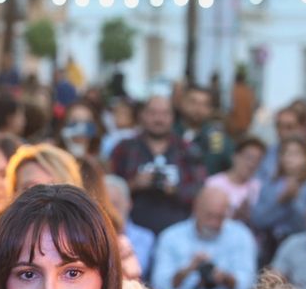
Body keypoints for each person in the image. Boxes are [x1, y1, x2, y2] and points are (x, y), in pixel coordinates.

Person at [150, 188, 258, 289]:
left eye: (220, 217)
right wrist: (188, 270)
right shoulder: (171, 237)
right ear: (196, 209)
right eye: (209, 216)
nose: (214, 223)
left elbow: (248, 286)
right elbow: (159, 288)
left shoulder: (241, 235)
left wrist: (225, 278)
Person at [110, 95, 206, 235]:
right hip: (132, 234)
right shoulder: (125, 148)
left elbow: (201, 191)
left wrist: (175, 190)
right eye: (152, 113)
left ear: (173, 117)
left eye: (165, 114)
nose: (159, 119)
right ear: (142, 115)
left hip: (177, 234)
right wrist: (134, 184)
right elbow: (107, 189)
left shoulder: (188, 150)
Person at [203, 137, 265, 220]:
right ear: (235, 156)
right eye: (249, 157)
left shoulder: (258, 187)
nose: (252, 164)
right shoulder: (213, 183)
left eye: (257, 160)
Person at [179, 84, 230, 175]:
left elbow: (219, 161)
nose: (198, 108)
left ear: (210, 109)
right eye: (193, 102)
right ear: (183, 103)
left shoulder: (215, 136)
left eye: (204, 104)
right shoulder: (170, 131)